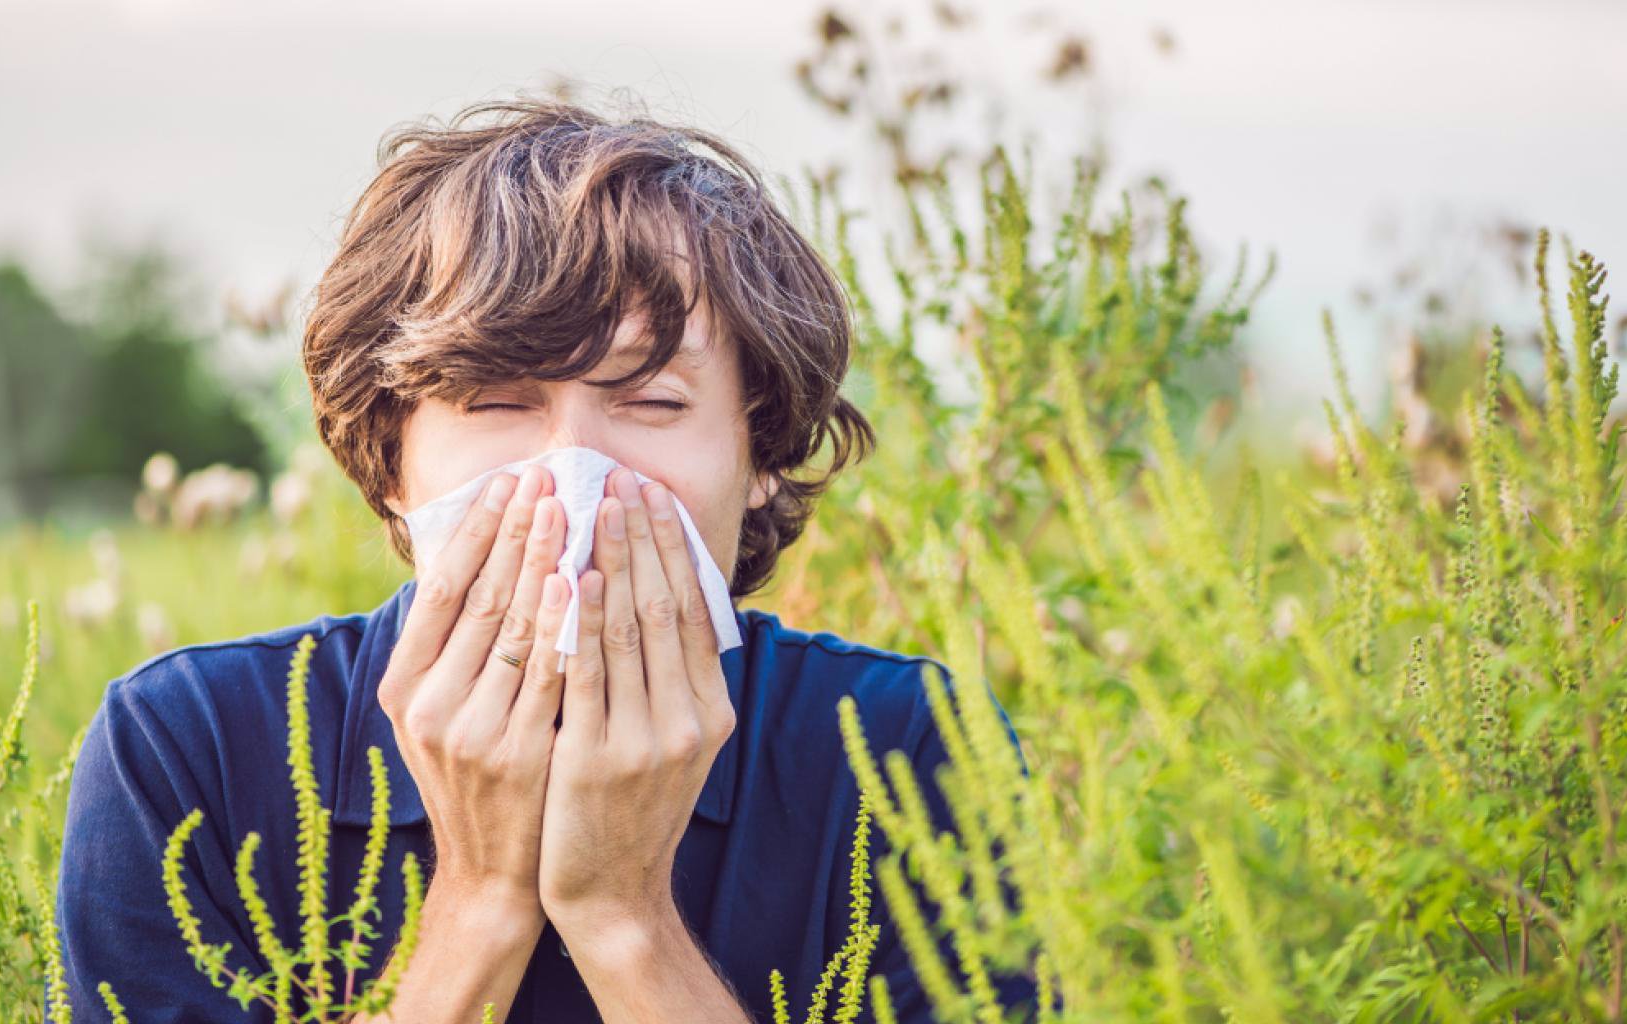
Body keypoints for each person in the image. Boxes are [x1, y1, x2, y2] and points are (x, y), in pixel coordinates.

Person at [53, 96, 1035, 1023]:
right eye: (495, 401)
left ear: (763, 455)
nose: (577, 472)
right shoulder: (191, 753)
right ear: (390, 460)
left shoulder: (907, 754)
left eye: (651, 402)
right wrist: (480, 901)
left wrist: (625, 917)